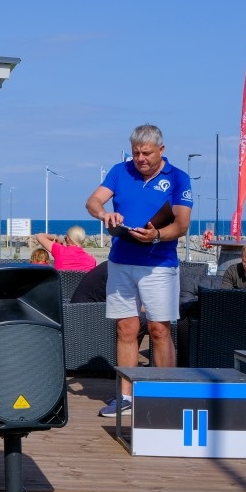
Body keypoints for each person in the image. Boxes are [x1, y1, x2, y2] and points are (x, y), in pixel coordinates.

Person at [86, 124, 192, 417]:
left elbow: (182, 224)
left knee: (159, 330)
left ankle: (164, 394)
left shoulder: (178, 178)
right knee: (126, 328)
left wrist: (156, 235)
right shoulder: (120, 171)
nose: (140, 159)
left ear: (161, 150)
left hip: (159, 265)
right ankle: (125, 397)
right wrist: (104, 214)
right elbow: (93, 201)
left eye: (146, 153)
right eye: (136, 153)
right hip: (121, 261)